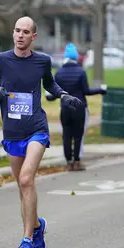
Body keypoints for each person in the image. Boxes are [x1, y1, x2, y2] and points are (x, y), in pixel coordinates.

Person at [0, 16, 83, 248]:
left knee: (26, 179)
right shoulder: (0, 60)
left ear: (33, 36)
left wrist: (63, 95)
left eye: (25, 32)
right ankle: (37, 226)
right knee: (23, 188)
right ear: (13, 33)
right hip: (12, 132)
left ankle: (26, 240)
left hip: (36, 128)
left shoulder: (42, 61)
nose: (20, 35)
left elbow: (50, 84)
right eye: (16, 31)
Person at [46, 43, 106, 171]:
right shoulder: (81, 72)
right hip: (79, 108)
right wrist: (100, 90)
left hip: (65, 109)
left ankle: (69, 163)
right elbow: (86, 91)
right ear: (76, 57)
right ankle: (77, 161)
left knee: (66, 136)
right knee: (78, 136)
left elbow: (55, 93)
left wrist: (48, 96)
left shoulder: (59, 73)